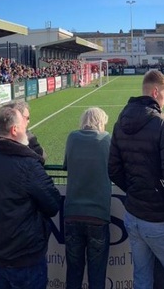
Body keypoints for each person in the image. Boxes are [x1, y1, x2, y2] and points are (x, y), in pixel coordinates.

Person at [108, 69, 164, 289]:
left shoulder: (119, 122)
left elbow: (113, 169)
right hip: (159, 218)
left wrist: (136, 190)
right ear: (155, 92)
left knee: (142, 279)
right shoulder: (163, 124)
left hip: (133, 214)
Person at [0, 103, 61, 289]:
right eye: (24, 125)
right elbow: (53, 203)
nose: (26, 130)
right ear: (14, 130)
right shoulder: (27, 164)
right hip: (24, 255)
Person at [62, 107, 111, 289]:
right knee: (97, 275)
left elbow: (67, 164)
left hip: (73, 213)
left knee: (73, 274)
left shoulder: (72, 137)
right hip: (98, 215)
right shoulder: (107, 139)